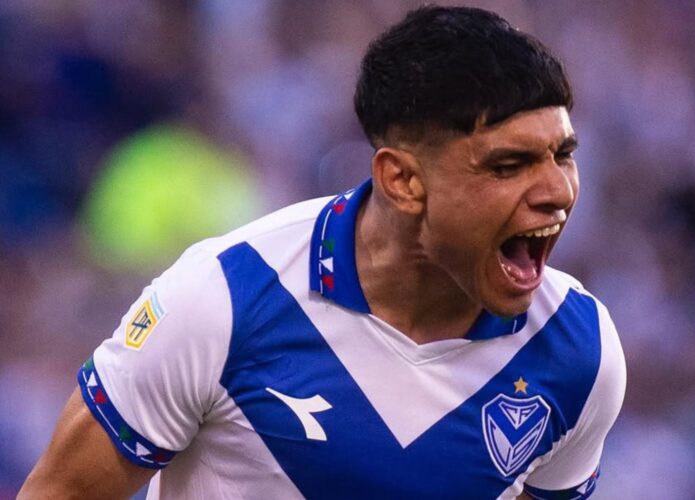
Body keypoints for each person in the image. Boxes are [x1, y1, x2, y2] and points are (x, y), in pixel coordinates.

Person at [20, 5, 625, 499]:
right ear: (403, 182)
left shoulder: (578, 350)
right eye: (508, 165)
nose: (558, 192)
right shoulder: (227, 297)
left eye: (563, 155)